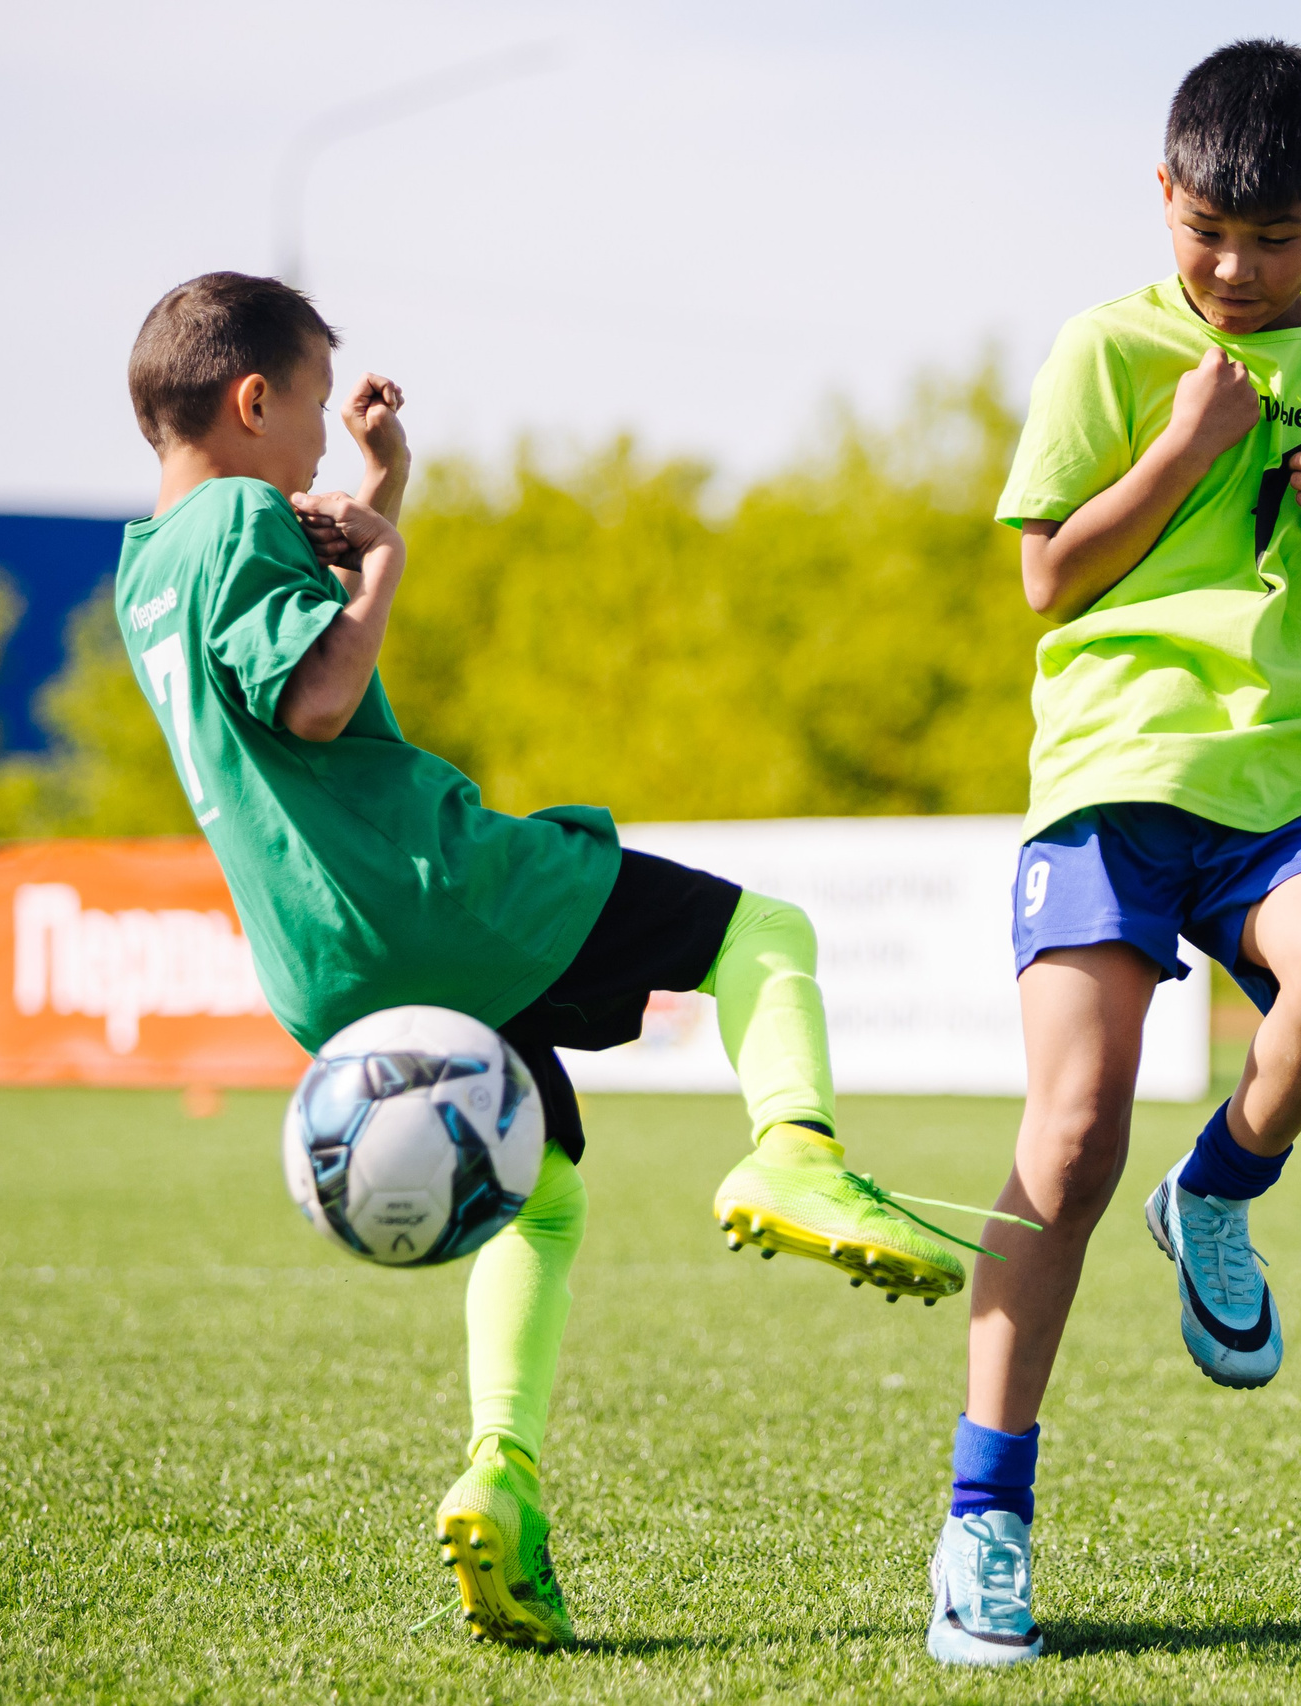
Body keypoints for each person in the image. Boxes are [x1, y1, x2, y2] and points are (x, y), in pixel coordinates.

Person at [112, 271, 969, 1651]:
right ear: (251, 398)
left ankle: (498, 1478)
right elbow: (321, 698)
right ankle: (794, 1146)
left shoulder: (150, 562)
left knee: (541, 1196)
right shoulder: (243, 513)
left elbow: (275, 655)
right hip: (431, 888)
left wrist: (383, 492)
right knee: (761, 931)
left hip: (321, 965)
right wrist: (385, 557)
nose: (327, 447)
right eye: (319, 415)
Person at [924, 40, 1301, 1666]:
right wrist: (1180, 444)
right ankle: (984, 1525)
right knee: (1070, 1139)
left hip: (1289, 779)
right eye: (1207, 230)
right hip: (1109, 777)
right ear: (1165, 197)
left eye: (1275, 237)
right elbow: (1047, 581)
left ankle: (1219, 1187)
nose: (1234, 266)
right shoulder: (1104, 348)